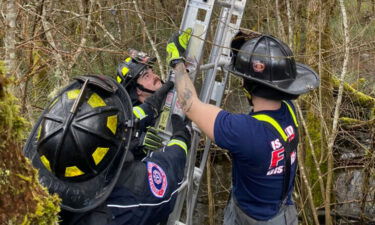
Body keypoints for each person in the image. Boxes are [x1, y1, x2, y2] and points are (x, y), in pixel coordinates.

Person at [166, 30, 319, 224]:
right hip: (283, 212)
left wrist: (177, 63)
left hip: (250, 218)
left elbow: (190, 105)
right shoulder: (289, 109)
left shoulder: (245, 132)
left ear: (248, 86)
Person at [23, 74, 191, 225]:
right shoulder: (129, 197)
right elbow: (168, 172)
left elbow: (126, 119)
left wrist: (154, 102)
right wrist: (181, 137)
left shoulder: (46, 164)